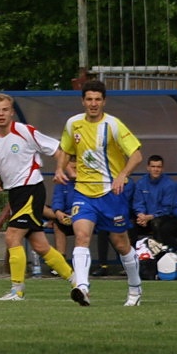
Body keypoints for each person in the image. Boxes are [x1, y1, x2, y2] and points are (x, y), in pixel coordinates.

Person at [54, 80, 143, 307]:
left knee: (121, 244)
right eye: (89, 99)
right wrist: (59, 167)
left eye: (97, 99)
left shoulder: (113, 125)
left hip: (110, 194)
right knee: (82, 237)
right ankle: (82, 287)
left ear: (104, 101)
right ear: (83, 101)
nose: (93, 104)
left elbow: (136, 155)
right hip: (83, 192)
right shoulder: (73, 123)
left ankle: (135, 288)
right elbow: (65, 149)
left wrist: (122, 174)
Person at [0, 94, 73, 301]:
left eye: (5, 110)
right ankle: (77, 281)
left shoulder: (25, 131)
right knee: (41, 246)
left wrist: (62, 170)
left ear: (12, 112)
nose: (1, 114)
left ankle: (17, 291)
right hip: (15, 193)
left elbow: (58, 150)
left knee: (12, 236)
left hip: (31, 188)